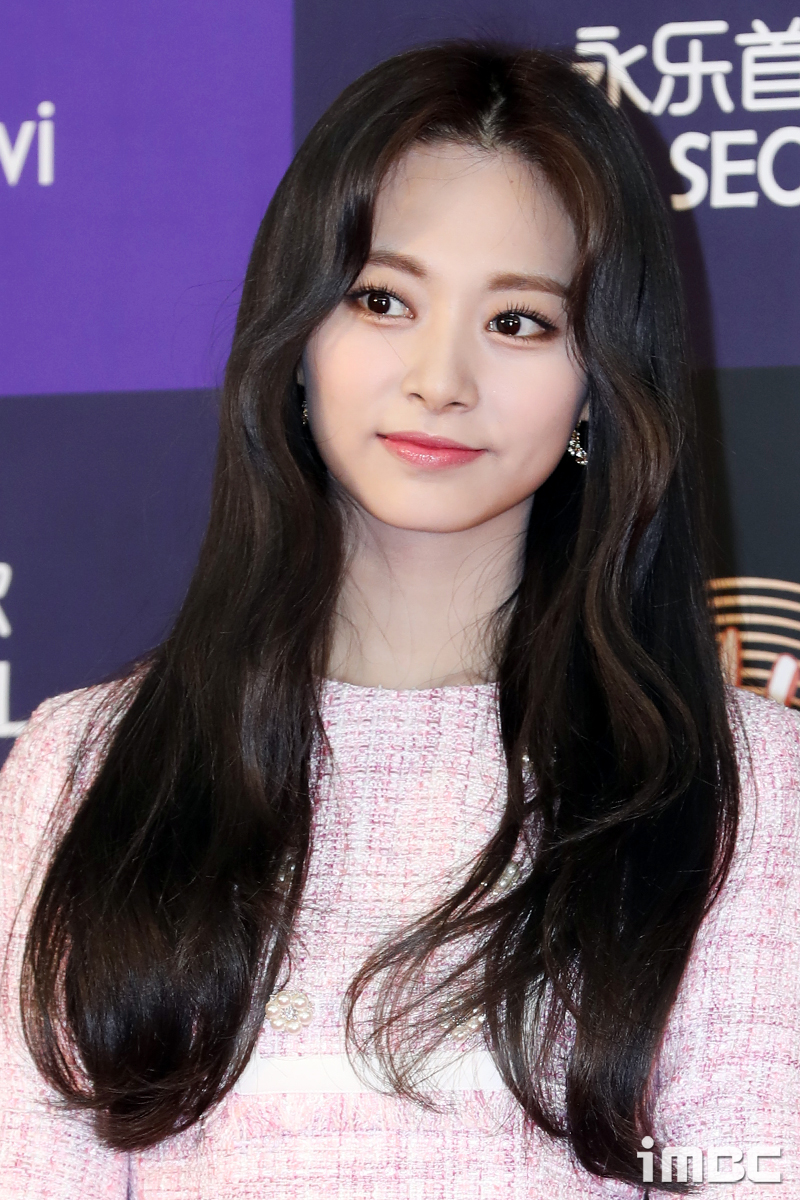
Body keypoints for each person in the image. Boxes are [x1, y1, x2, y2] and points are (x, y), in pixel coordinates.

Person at [1, 41, 798, 1200]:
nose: (439, 379)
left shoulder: (747, 791)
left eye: (517, 322)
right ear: (297, 340)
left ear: (596, 387)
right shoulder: (84, 768)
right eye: (382, 300)